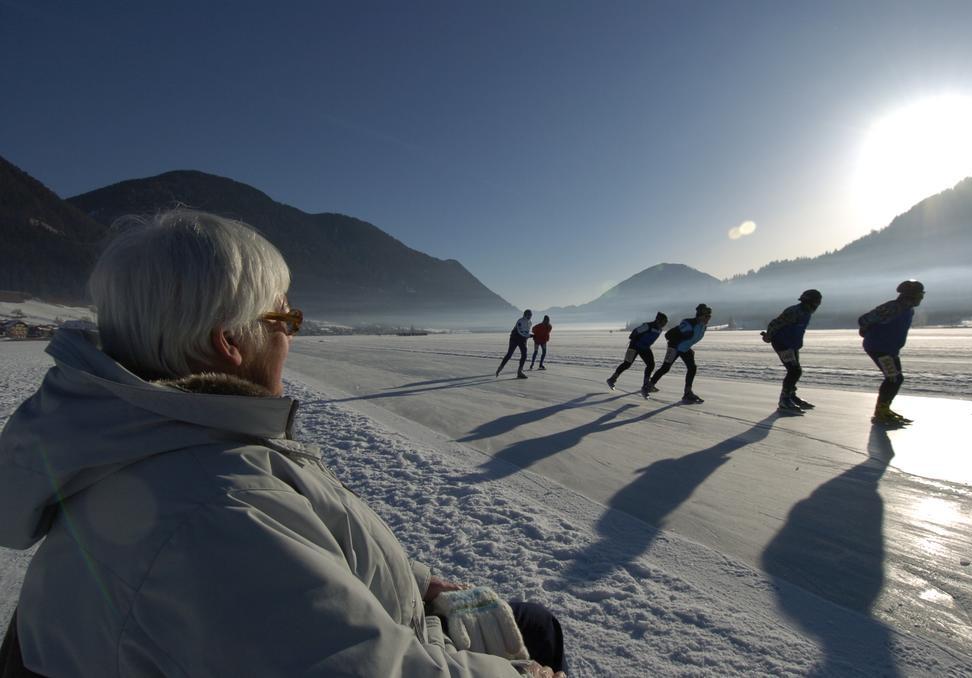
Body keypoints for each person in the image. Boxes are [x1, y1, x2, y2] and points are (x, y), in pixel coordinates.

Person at [0, 210, 565, 678]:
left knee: (533, 622)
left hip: (401, 616)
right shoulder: (213, 511)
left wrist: (417, 582)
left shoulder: (174, 443)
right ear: (229, 342)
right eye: (286, 316)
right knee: (538, 631)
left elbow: (312, 557)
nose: (291, 335)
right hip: (410, 646)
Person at [858, 279, 925, 426]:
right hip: (879, 348)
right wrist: (866, 331)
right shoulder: (893, 308)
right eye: (921, 294)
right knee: (893, 378)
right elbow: (863, 319)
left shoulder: (908, 309)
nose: (922, 298)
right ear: (911, 295)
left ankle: (883, 409)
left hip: (889, 349)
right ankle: (881, 411)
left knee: (896, 378)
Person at [761, 290, 822, 413]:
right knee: (794, 371)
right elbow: (774, 323)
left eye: (817, 303)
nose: (815, 306)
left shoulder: (806, 312)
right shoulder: (794, 311)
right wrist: (768, 336)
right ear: (807, 302)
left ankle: (791, 396)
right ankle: (784, 399)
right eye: (814, 303)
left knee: (795, 371)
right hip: (782, 344)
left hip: (792, 345)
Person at [646, 303, 712, 402]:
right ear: (699, 316)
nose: (708, 319)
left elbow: (690, 339)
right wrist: (674, 347)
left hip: (684, 349)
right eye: (706, 316)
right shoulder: (689, 324)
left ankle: (687, 393)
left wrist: (688, 348)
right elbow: (670, 335)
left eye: (709, 317)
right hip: (675, 347)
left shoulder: (703, 327)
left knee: (692, 368)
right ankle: (649, 386)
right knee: (665, 368)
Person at [606, 312, 668, 392]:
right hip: (634, 347)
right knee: (627, 364)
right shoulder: (647, 326)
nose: (664, 324)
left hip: (645, 348)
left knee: (651, 364)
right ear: (658, 320)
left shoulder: (659, 329)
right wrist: (635, 341)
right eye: (663, 322)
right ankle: (612, 379)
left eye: (665, 323)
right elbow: (634, 332)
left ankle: (646, 384)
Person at [496, 309, 533, 379]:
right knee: (509, 354)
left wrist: (527, 342)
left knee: (524, 354)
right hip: (514, 338)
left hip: (522, 339)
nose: (529, 316)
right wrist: (529, 335)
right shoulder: (520, 321)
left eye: (530, 315)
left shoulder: (530, 322)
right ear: (524, 315)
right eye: (528, 315)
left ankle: (520, 372)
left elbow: (526, 333)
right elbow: (520, 332)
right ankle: (500, 368)